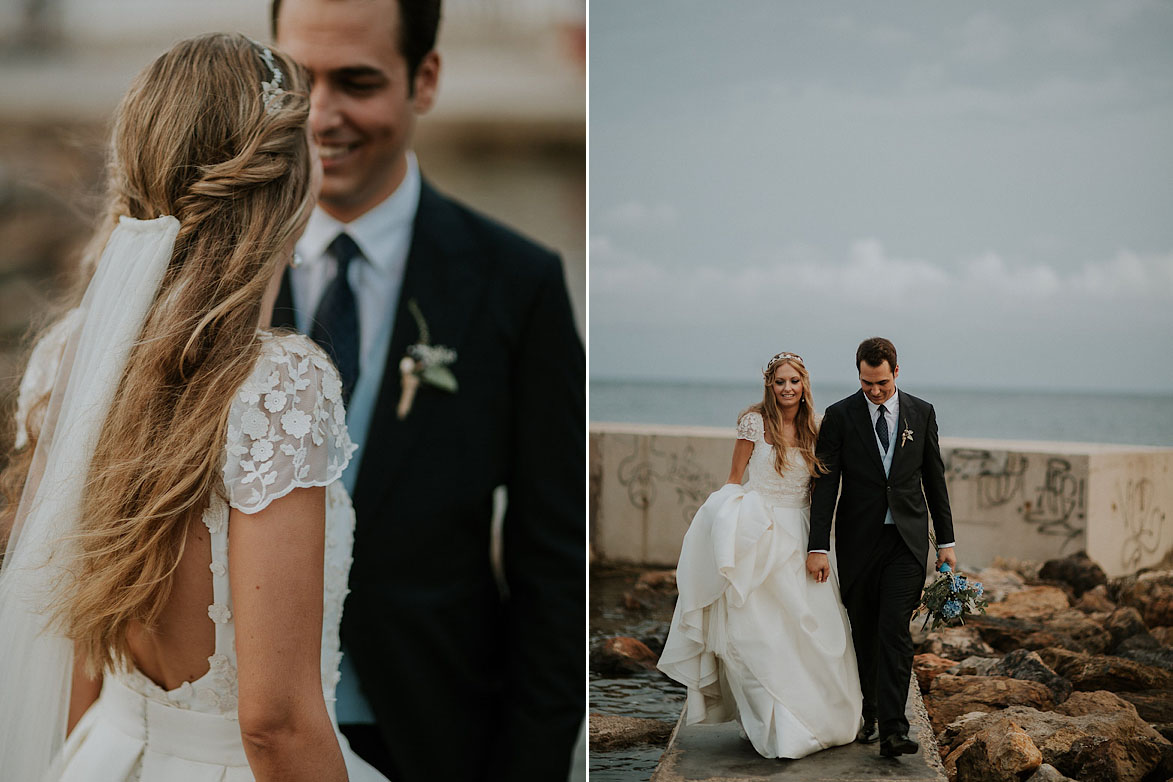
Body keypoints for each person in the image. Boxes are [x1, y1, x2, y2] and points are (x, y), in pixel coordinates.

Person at [0, 33, 390, 782]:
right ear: (289, 178)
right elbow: (275, 724)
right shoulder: (277, 385)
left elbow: (75, 638)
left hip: (106, 754)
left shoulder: (69, 356)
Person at [268, 1, 585, 780]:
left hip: (431, 732)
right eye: (295, 79)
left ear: (426, 79)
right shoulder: (210, 272)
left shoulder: (519, 284)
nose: (320, 114)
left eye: (357, 81)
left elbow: (556, 558)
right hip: (236, 731)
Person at [658, 352, 863, 759]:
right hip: (757, 535)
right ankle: (771, 728)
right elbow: (734, 481)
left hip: (802, 536)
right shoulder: (753, 422)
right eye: (780, 382)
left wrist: (818, 547)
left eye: (794, 381)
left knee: (810, 633)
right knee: (754, 634)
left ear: (804, 384)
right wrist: (727, 534)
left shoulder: (819, 427)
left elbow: (820, 492)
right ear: (769, 385)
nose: (787, 388)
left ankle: (814, 719)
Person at [807, 337, 957, 758]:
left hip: (906, 544)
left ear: (896, 372)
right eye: (866, 382)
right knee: (864, 633)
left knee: (894, 632)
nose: (874, 390)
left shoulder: (921, 413)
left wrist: (946, 542)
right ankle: (869, 713)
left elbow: (934, 479)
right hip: (857, 543)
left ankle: (894, 729)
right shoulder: (839, 416)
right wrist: (818, 545)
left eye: (882, 383)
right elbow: (826, 485)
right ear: (858, 374)